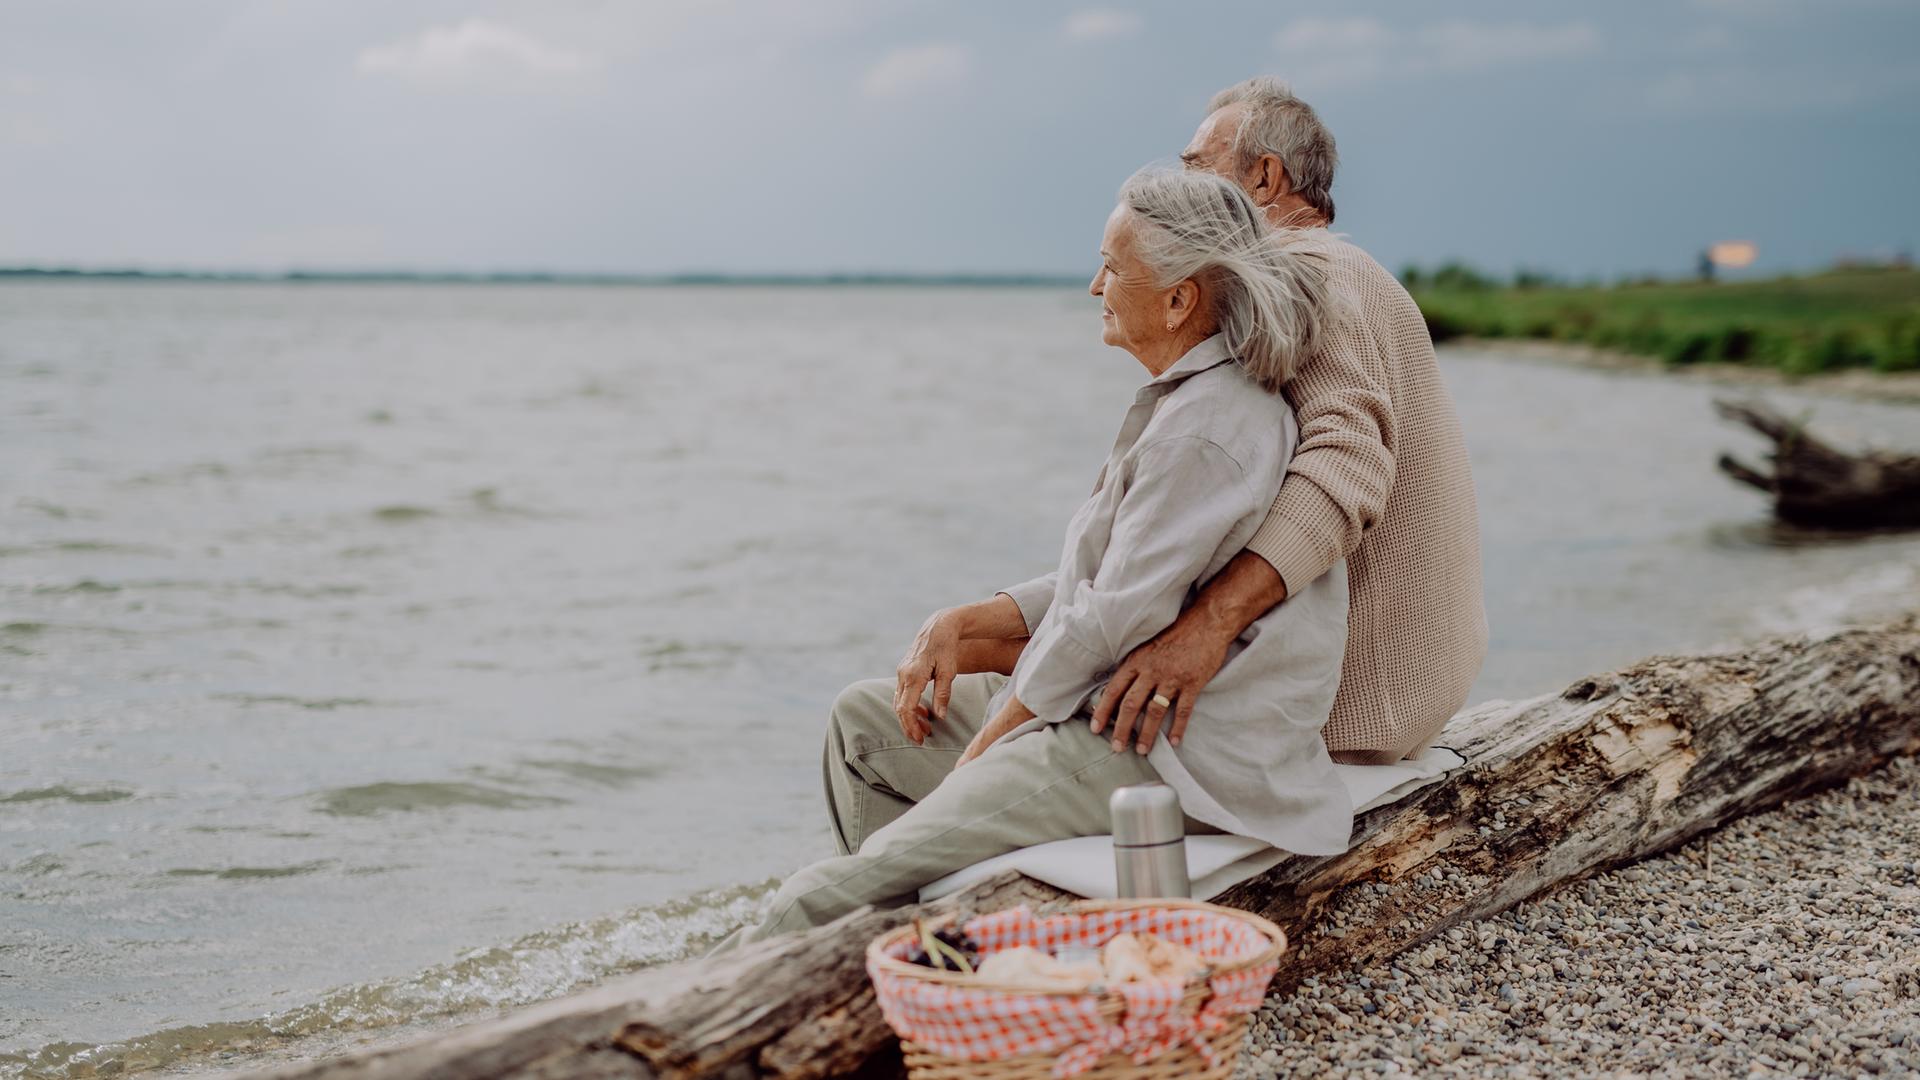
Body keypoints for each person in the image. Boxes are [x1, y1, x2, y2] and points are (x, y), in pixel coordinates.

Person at [711, 168, 1350, 950]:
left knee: (810, 900)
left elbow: (1110, 620)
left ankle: (766, 984)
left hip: (1162, 753)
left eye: (1113, 267)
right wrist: (968, 621)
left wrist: (987, 752)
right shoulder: (1191, 404)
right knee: (863, 723)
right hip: (1104, 711)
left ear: (1181, 299)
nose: (1095, 286)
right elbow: (1110, 585)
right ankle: (919, 954)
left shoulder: (1207, 429)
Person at [1080, 77, 1488, 767]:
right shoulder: (1354, 269)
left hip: (1351, 704)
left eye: (1197, 169)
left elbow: (1347, 461)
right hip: (1408, 685)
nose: (1184, 195)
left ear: (1265, 177)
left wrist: (1206, 629)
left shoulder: (1303, 271)